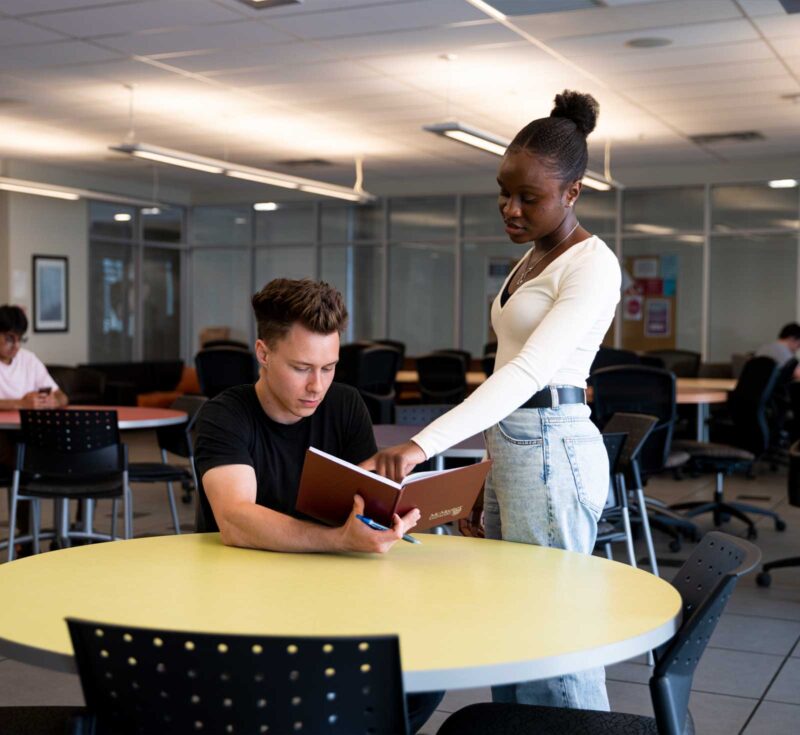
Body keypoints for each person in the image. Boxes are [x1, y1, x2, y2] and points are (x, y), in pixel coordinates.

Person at [362, 90, 621, 712]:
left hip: (554, 447)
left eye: (527, 198)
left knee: (554, 635)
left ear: (573, 193)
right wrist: (488, 472)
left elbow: (530, 371)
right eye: (503, 192)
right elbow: (508, 366)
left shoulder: (591, 264)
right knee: (512, 625)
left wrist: (426, 445)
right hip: (518, 447)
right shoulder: (533, 259)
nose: (509, 208)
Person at [193, 278, 442, 732]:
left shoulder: (345, 406)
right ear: (263, 353)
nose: (317, 386)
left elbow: (366, 504)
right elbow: (236, 520)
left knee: (429, 674)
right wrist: (338, 539)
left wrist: (387, 522)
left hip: (333, 594)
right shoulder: (224, 415)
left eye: (329, 368)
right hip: (244, 600)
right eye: (302, 367)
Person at [0, 305, 68, 410]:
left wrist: (54, 401)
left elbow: (62, 396)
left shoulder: (29, 359)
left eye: (20, 339)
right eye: (9, 339)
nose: (16, 346)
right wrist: (21, 404)